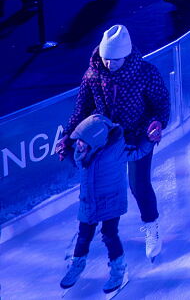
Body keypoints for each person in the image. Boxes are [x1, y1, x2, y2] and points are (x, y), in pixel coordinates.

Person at [58, 24, 169, 264]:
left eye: (115, 60)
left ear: (127, 55)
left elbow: (160, 105)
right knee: (96, 187)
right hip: (106, 139)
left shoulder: (146, 73)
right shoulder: (93, 75)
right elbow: (81, 111)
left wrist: (156, 124)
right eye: (106, 58)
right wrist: (68, 135)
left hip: (138, 136)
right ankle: (85, 232)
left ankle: (151, 226)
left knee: (138, 185)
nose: (109, 64)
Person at [59, 113, 138, 292]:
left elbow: (138, 152)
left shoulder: (117, 149)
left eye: (81, 141)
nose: (78, 144)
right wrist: (66, 151)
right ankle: (77, 265)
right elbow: (77, 162)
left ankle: (118, 269)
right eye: (77, 140)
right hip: (88, 202)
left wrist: (149, 139)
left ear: (94, 140)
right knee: (83, 235)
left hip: (111, 201)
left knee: (109, 234)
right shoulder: (83, 153)